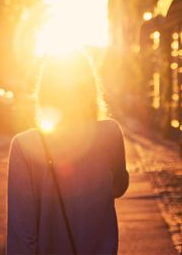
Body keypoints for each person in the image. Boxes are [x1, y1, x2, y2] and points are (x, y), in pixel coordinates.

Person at [7, 51, 129, 254]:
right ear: (90, 90)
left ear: (44, 92)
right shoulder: (110, 134)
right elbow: (119, 188)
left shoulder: (24, 146)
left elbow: (21, 231)